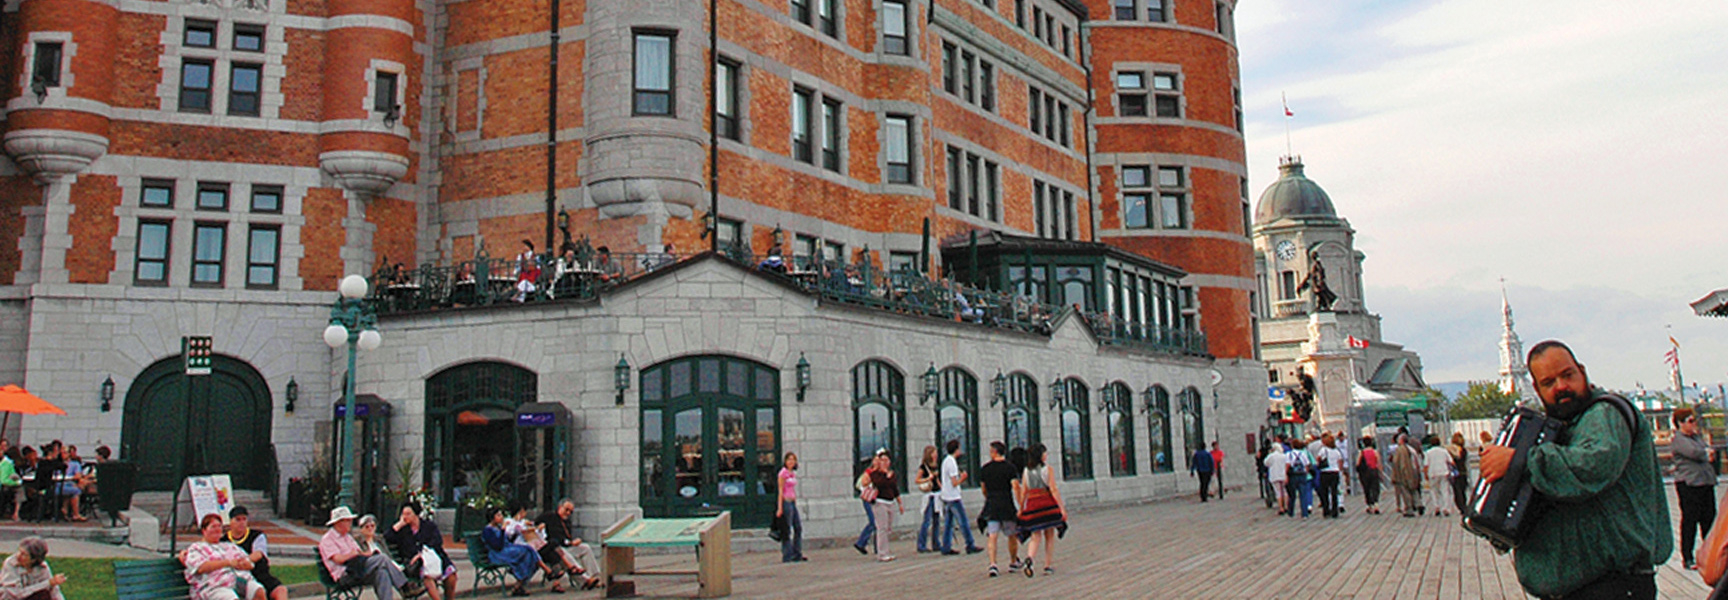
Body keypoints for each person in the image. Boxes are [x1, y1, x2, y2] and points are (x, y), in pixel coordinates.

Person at [1479, 340, 1671, 599]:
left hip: (1611, 587)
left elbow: (1592, 467)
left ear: (1582, 371)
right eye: (1549, 383)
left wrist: (1518, 462)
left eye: (1567, 375)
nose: (1561, 387)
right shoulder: (1562, 428)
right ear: (1536, 388)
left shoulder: (1605, 414)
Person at [318, 506, 408, 600]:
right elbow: (338, 559)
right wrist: (352, 554)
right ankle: (405, 587)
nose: (350, 523)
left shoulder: (347, 537)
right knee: (382, 558)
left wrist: (369, 554)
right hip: (345, 574)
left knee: (382, 572)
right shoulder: (328, 539)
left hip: (358, 569)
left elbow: (359, 553)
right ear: (338, 522)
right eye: (348, 521)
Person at [385, 502, 459, 600]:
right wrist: (399, 524)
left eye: (408, 514)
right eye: (403, 514)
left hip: (434, 558)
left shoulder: (428, 526)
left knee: (451, 576)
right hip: (416, 564)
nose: (405, 517)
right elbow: (387, 537)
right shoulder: (403, 530)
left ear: (416, 515)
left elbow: (437, 541)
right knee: (427, 577)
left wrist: (423, 553)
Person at [1672, 407, 1717, 570]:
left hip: (1705, 482)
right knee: (1690, 520)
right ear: (1680, 423)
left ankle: (1711, 555)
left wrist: (1707, 452)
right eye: (1690, 421)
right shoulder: (1679, 439)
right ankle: (1688, 557)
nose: (1694, 424)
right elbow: (1695, 453)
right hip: (1689, 485)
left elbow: (1707, 450)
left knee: (1709, 520)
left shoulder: (1697, 437)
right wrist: (1706, 452)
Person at [185, 513, 267, 600]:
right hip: (213, 586)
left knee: (258, 590)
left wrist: (244, 564)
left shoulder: (229, 546)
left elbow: (249, 564)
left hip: (237, 581)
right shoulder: (197, 548)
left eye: (219, 526)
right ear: (204, 530)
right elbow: (201, 567)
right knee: (231, 597)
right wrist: (227, 563)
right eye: (213, 527)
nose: (217, 529)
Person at [1014, 443, 1066, 578]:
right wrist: (1061, 508)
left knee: (1035, 535)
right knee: (1049, 535)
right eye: (1045, 453)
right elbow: (1053, 489)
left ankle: (1030, 557)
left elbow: (1024, 491)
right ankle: (1047, 565)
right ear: (1040, 455)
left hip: (1033, 504)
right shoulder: (1048, 469)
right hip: (1046, 503)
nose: (1046, 455)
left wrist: (1021, 508)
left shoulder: (1026, 471)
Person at [530, 500, 598, 591]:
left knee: (585, 548)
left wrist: (573, 542)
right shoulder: (549, 516)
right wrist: (539, 527)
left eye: (570, 511)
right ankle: (585, 580)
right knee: (564, 554)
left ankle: (593, 576)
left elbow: (567, 539)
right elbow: (534, 525)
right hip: (553, 548)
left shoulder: (567, 522)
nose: (568, 513)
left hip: (565, 546)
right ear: (560, 507)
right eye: (566, 510)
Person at [978, 441, 1020, 577]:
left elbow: (983, 488)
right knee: (1011, 534)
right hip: (1006, 503)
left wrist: (988, 497)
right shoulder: (1010, 468)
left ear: (994, 452)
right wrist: (1020, 503)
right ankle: (1013, 561)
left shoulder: (985, 469)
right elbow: (1015, 486)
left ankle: (993, 564)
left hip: (992, 504)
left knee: (992, 535)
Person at [225, 507, 285, 600]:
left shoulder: (257, 535)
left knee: (280, 590)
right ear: (230, 522)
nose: (242, 523)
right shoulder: (224, 540)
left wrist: (246, 560)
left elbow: (258, 553)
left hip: (260, 574)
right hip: (238, 577)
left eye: (244, 519)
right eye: (238, 520)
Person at [481, 506, 541, 595]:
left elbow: (508, 540)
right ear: (492, 518)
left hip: (507, 550)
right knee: (525, 551)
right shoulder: (488, 530)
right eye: (498, 515)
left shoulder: (498, 527)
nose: (501, 517)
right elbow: (498, 545)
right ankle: (520, 581)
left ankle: (520, 583)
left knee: (528, 550)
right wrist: (503, 530)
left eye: (501, 515)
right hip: (498, 554)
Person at [939, 440, 982, 555]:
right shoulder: (952, 462)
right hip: (953, 496)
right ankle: (970, 543)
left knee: (949, 523)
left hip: (946, 496)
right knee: (963, 521)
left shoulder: (945, 461)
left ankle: (946, 546)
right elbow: (954, 482)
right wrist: (963, 478)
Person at [866, 450, 904, 562]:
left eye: (886, 460)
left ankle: (886, 551)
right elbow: (880, 484)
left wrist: (900, 503)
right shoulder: (875, 474)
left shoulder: (892, 474)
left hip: (890, 501)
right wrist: (884, 474)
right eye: (882, 460)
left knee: (888, 528)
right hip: (880, 502)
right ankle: (881, 553)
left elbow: (895, 489)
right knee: (881, 528)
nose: (884, 462)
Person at [0, 537, 65, 600]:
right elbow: (16, 594)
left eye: (24, 554)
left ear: (33, 559)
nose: (18, 555)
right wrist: (47, 583)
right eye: (19, 551)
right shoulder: (10, 564)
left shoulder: (43, 567)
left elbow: (54, 590)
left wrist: (50, 584)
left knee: (44, 594)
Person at [776, 452, 806, 563]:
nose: (791, 462)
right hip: (786, 502)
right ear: (785, 461)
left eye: (793, 460)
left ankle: (797, 553)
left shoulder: (792, 473)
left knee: (798, 527)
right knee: (786, 529)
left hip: (792, 502)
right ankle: (787, 555)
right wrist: (780, 507)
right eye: (789, 460)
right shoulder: (782, 474)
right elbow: (780, 490)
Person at [852, 451, 882, 556]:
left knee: (878, 523)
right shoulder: (869, 471)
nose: (878, 463)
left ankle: (877, 546)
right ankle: (861, 542)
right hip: (868, 498)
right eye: (876, 460)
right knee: (873, 521)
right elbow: (864, 482)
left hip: (877, 499)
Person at [914, 445, 942, 554]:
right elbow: (917, 480)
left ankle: (936, 543)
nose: (935, 455)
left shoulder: (935, 466)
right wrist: (927, 478)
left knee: (936, 520)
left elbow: (938, 480)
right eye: (934, 453)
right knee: (927, 520)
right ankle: (921, 544)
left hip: (937, 493)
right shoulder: (924, 467)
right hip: (929, 494)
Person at [1390, 433, 1424, 517]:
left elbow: (1398, 463)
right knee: (1414, 489)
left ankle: (1409, 509)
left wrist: (1397, 474)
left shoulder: (1400, 450)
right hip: (1415, 471)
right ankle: (1418, 504)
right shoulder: (1411, 449)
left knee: (1405, 491)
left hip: (1405, 473)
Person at [1314, 433, 1345, 518]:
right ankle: (1335, 510)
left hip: (1325, 472)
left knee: (1325, 492)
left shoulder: (1323, 450)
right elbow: (1340, 462)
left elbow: (1318, 459)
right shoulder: (1336, 451)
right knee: (1334, 492)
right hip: (1335, 472)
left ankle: (1326, 510)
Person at [1422, 434, 1452, 517]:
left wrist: (1425, 475)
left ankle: (1437, 507)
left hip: (1433, 473)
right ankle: (1446, 508)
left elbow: (1426, 465)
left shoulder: (1428, 452)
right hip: (1443, 472)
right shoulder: (1444, 451)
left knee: (1433, 491)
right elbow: (1451, 461)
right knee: (1445, 490)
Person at [1285, 440, 1312, 518]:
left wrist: (1286, 476)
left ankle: (1291, 511)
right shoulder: (1303, 454)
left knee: (1292, 495)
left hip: (1293, 476)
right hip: (1302, 475)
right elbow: (1307, 465)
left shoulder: (1289, 454)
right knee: (1303, 494)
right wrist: (1306, 473)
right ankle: (1304, 513)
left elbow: (1287, 466)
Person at [1356, 436, 1383, 515]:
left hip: (1365, 473)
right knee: (1375, 488)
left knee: (1367, 488)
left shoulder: (1361, 452)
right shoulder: (1375, 452)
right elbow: (1379, 463)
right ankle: (1376, 504)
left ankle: (1369, 505)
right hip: (1374, 471)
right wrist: (1380, 473)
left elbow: (1358, 463)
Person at [1263, 438, 1289, 515]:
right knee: (1284, 491)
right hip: (1283, 475)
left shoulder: (1271, 456)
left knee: (1278, 492)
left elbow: (1266, 463)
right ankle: (1286, 507)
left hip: (1274, 475)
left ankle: (1281, 508)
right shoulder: (1284, 456)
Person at [1447, 432, 1471, 515]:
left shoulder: (1451, 451)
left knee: (1457, 491)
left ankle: (1461, 507)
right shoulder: (1463, 450)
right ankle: (1464, 506)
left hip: (1455, 472)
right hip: (1463, 471)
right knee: (1463, 490)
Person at [0, 444, 20, 522]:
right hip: (4, 485)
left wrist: (17, 482)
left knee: (20, 490)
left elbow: (12, 476)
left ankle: (16, 512)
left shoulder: (7, 464)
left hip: (5, 485)